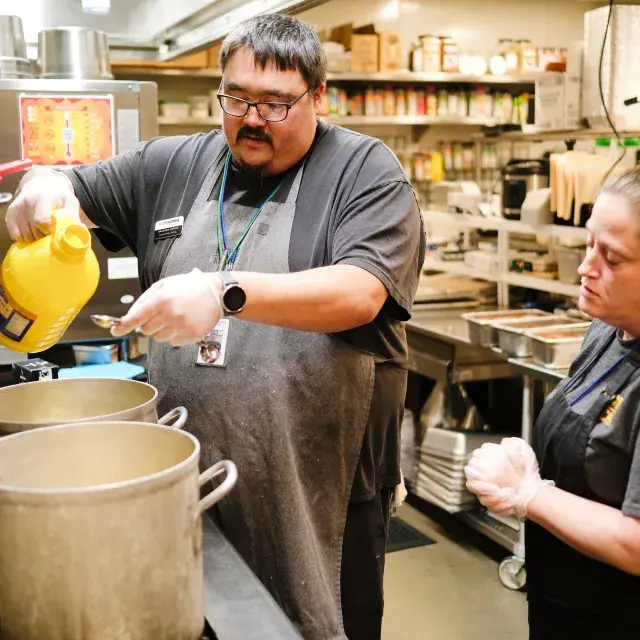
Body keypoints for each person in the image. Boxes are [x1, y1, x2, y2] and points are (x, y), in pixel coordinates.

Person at [5, 14, 425, 640]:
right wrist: (45, 187)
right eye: (237, 98)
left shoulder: (365, 172)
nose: (252, 119)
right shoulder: (175, 164)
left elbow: (360, 292)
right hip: (185, 473)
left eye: (277, 104)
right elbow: (71, 182)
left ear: (319, 95)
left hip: (318, 490)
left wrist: (221, 291)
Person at [464, 165, 640, 640]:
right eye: (589, 244)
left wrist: (532, 495)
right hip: (564, 604)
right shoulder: (606, 330)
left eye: (613, 257)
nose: (586, 267)